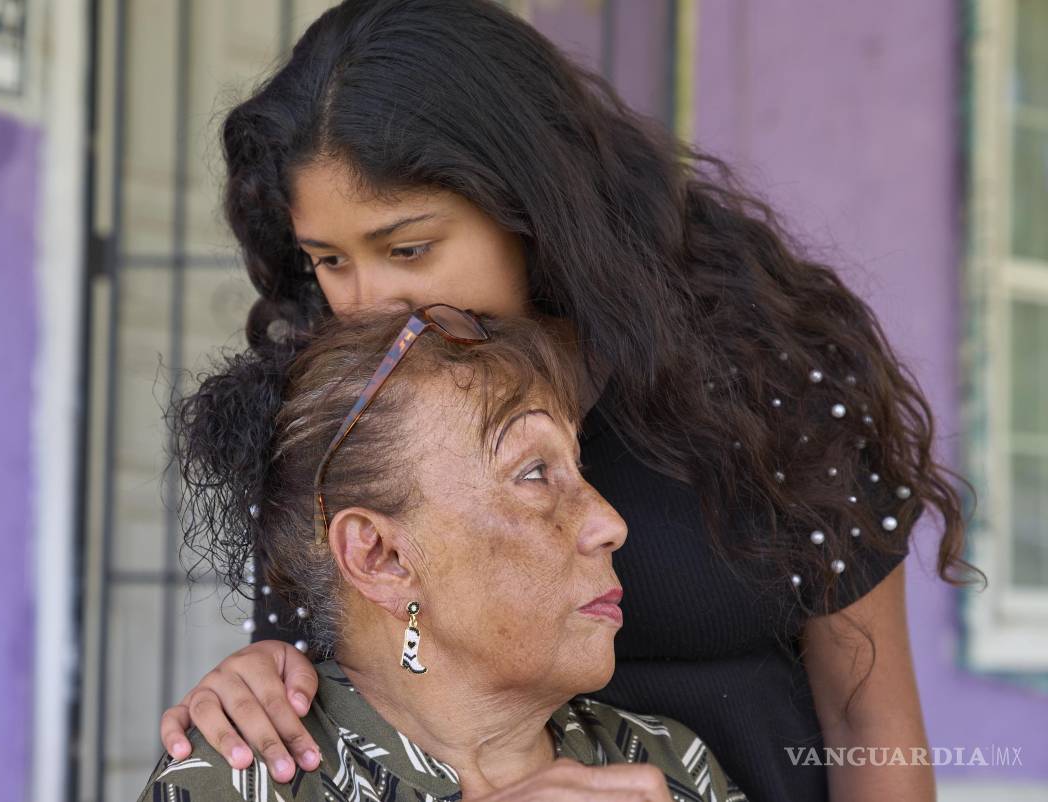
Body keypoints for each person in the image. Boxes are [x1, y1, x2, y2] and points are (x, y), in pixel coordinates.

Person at [158, 1, 981, 800]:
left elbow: (867, 712)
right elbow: (343, 668)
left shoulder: (766, 366)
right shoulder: (339, 401)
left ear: (527, 205)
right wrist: (266, 679)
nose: (371, 303)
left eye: (409, 248)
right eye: (330, 261)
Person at [142, 306, 745, 802]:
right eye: (534, 473)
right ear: (382, 558)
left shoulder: (668, 767)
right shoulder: (248, 775)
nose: (608, 523)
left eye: (577, 468)